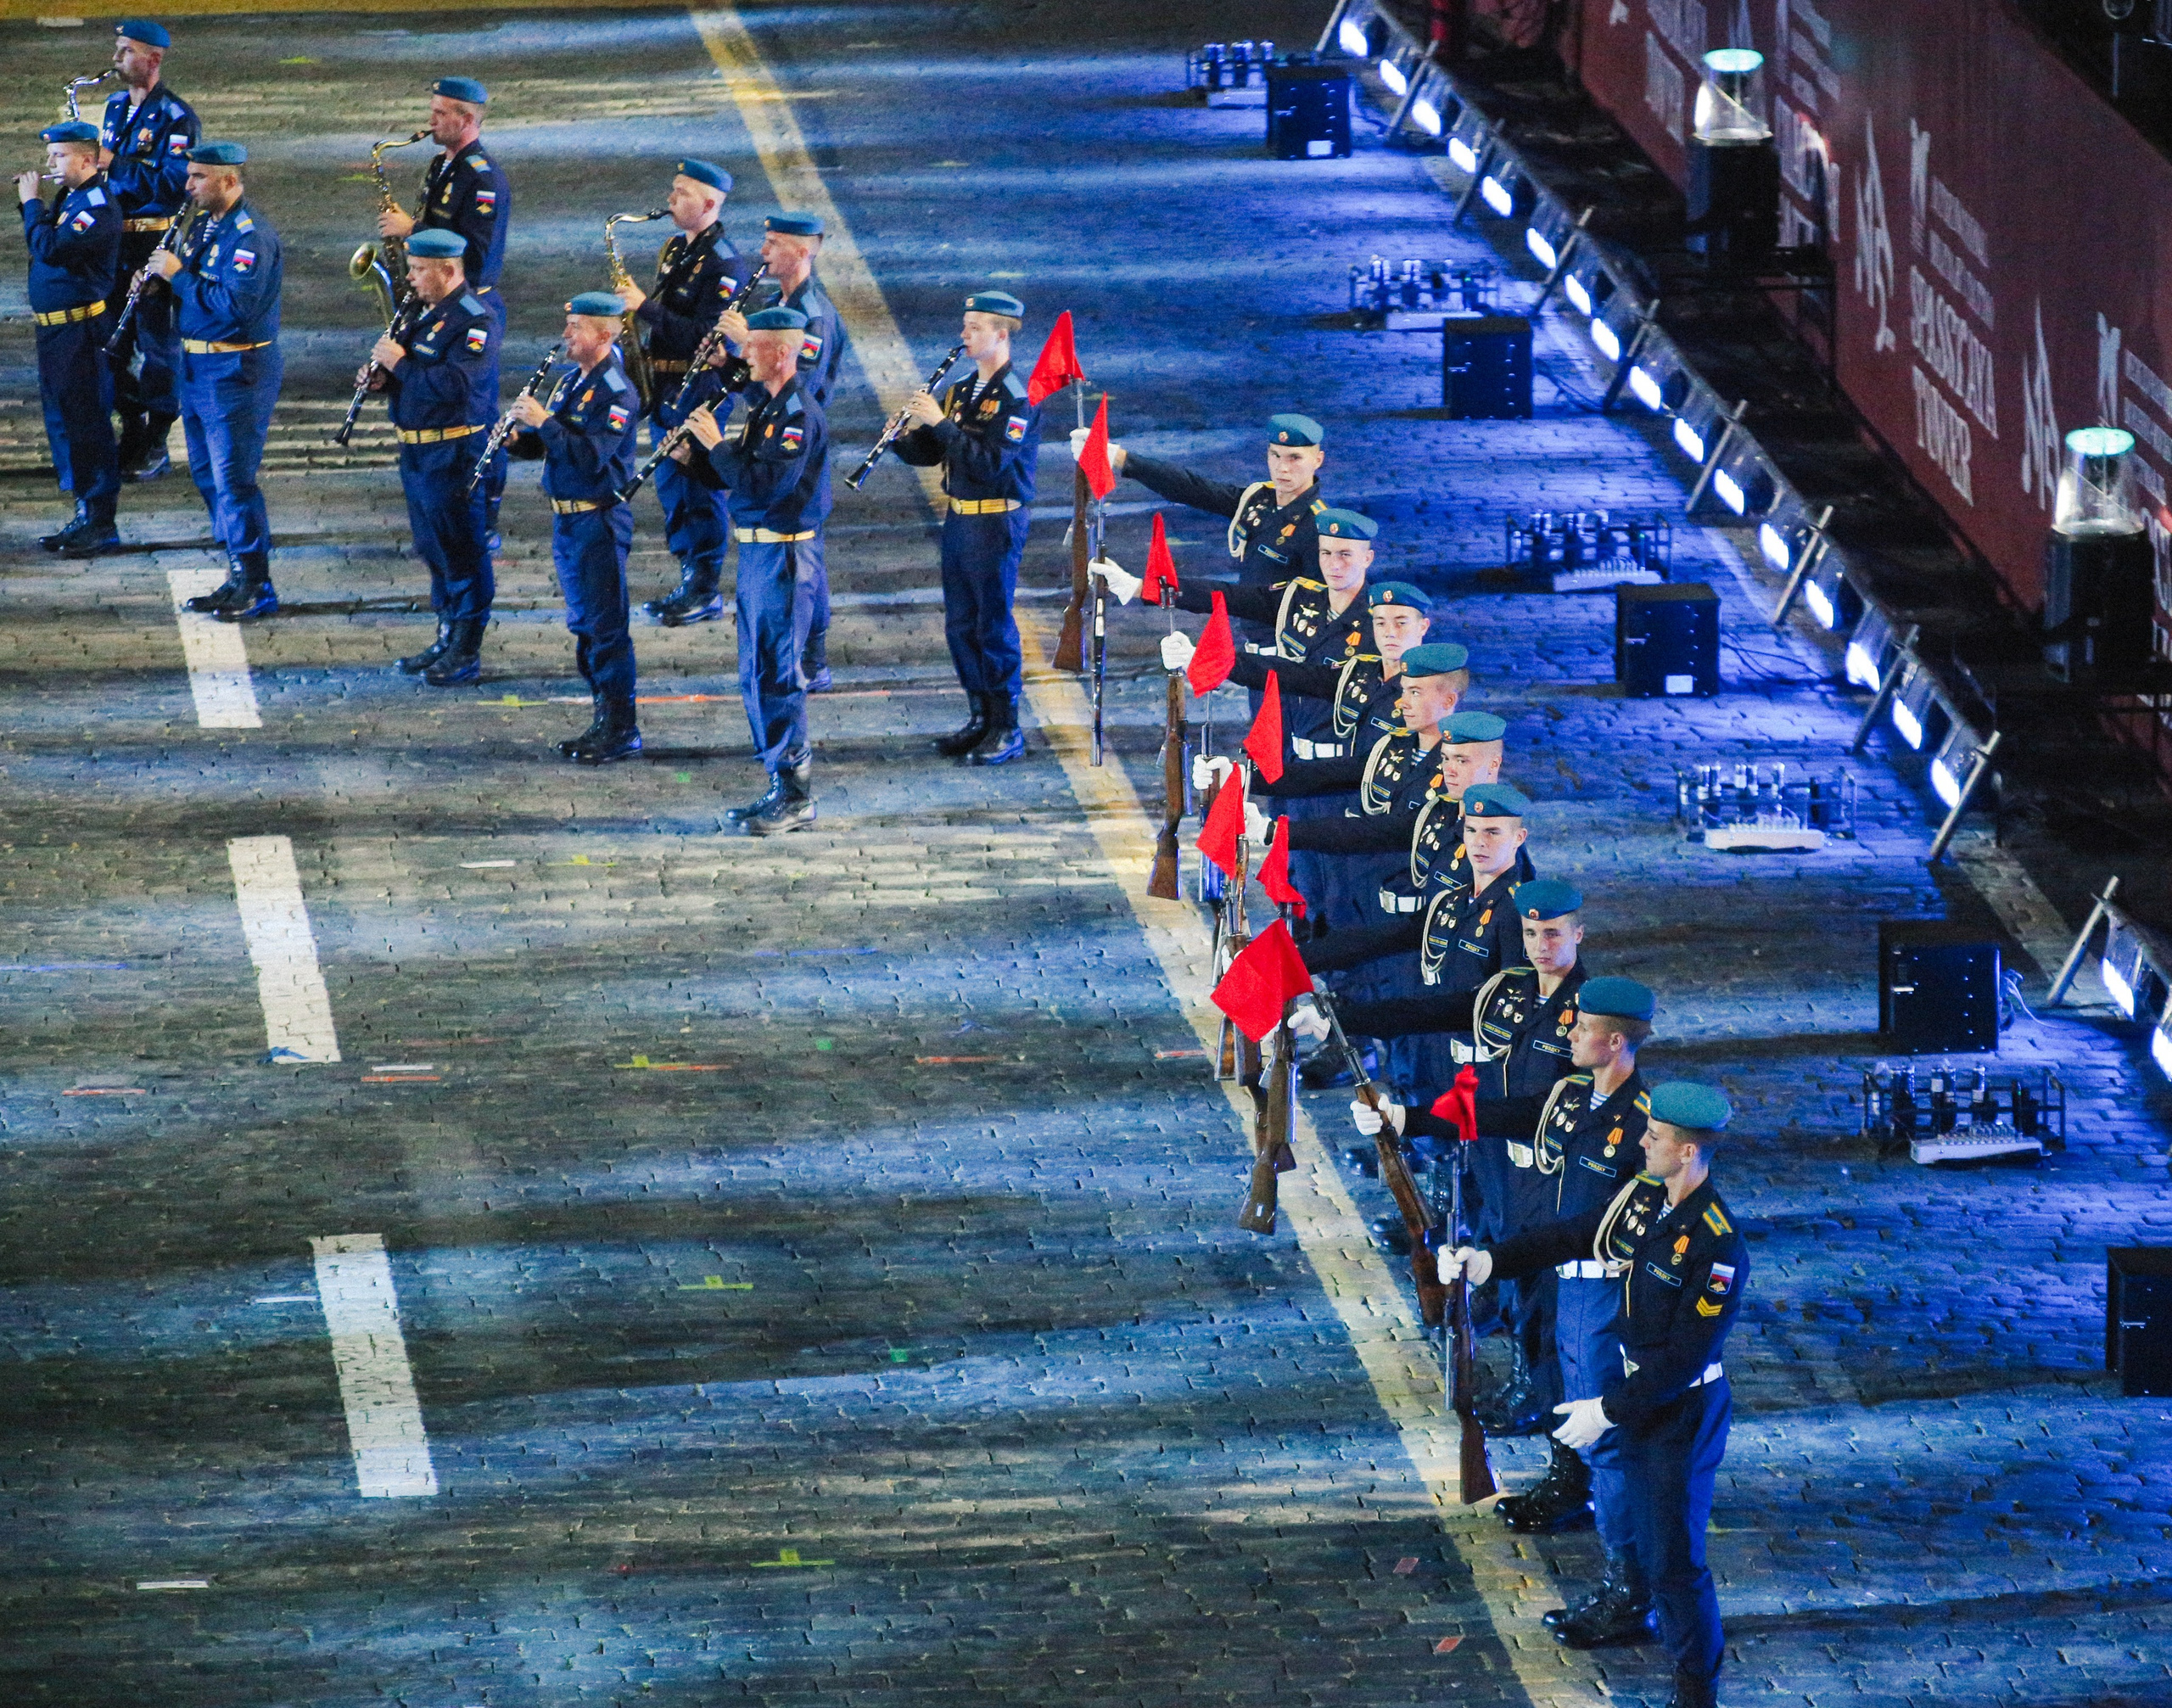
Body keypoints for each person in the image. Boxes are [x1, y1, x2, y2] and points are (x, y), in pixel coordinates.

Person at [1445, 1080, 1747, 1708]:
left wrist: (1607, 1409)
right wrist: (1489, 1260)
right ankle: (1633, 1610)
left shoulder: (1715, 1244)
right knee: (1638, 1527)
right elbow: (1575, 1233)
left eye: (1655, 1137)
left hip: (1680, 1412)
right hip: (1639, 1395)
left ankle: (1697, 1690)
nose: (1643, 1142)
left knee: (1674, 1560)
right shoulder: (1645, 1195)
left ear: (1688, 1151)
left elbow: (1685, 1357)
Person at [1336, 878, 1590, 1436]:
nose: (1540, 946)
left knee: (1541, 1289)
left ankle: (1540, 1395)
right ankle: (1526, 1374)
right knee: (1508, 1260)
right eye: (1530, 934)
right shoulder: (1514, 991)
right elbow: (1441, 1009)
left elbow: (1534, 1110)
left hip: (1553, 1174)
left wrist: (1418, 1120)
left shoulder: (1587, 1016)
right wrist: (1348, 1017)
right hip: (1502, 1163)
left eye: (1552, 934)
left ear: (1578, 935)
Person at [682, 305, 830, 834]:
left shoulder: (797, 416)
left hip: (784, 558)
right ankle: (778, 781)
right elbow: (740, 475)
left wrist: (716, 447)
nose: (743, 353)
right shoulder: (769, 407)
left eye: (754, 345)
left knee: (778, 672)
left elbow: (765, 486)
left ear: (783, 353)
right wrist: (697, 460)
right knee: (756, 671)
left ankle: (796, 793)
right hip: (759, 555)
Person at [893, 289, 1040, 764]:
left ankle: (1006, 726)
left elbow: (989, 464)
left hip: (996, 520)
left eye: (975, 328)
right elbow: (935, 452)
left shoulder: (1018, 400)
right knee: (960, 623)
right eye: (966, 326)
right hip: (961, 517)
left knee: (991, 624)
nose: (964, 335)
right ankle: (980, 716)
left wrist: (940, 424)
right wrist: (903, 438)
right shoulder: (960, 391)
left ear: (1001, 335)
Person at [509, 292, 641, 764]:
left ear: (604, 336)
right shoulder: (571, 381)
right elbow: (553, 445)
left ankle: (621, 727)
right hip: (568, 521)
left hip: (597, 521)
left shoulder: (618, 393)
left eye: (577, 327)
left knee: (606, 629)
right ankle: (602, 719)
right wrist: (517, 439)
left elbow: (589, 456)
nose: (566, 334)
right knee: (585, 626)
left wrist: (544, 422)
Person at [363, 227, 498, 685]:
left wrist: (399, 364)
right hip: (418, 450)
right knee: (433, 547)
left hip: (453, 451)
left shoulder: (475, 320)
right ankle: (446, 634)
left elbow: (455, 385)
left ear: (448, 270)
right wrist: (383, 379)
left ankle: (466, 647)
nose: (411, 278)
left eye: (420, 270)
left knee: (462, 552)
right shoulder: (426, 313)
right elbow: (417, 375)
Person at [381, 76, 511, 539]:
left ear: (467, 119)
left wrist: (411, 230)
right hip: (437, 300)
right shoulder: (442, 165)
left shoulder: (482, 178)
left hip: (471, 302)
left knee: (477, 411)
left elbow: (473, 256)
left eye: (440, 113)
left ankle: (485, 508)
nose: (430, 121)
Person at [715, 213, 842, 686]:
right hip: (774, 431)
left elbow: (794, 388)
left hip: (798, 444)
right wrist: (730, 363)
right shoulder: (777, 303)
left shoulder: (813, 317)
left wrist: (745, 342)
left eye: (774, 243)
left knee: (803, 548)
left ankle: (813, 655)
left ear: (803, 252)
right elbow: (763, 390)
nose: (763, 252)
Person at [160, 142, 282, 624]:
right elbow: (194, 292)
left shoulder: (250, 238)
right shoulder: (203, 226)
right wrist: (157, 285)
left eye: (198, 177)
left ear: (229, 180)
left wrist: (178, 279)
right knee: (207, 474)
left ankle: (256, 582)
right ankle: (237, 571)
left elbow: (236, 308)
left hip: (235, 370)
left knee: (233, 479)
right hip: (197, 366)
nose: (188, 185)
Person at [621, 159, 742, 628]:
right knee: (673, 486)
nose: (671, 200)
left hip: (699, 387)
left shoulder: (724, 263)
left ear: (709, 205)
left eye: (682, 193)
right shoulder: (675, 248)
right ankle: (689, 577)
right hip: (666, 383)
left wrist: (644, 308)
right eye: (673, 190)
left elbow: (704, 337)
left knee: (697, 486)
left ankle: (705, 586)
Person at [1092, 412, 1329, 648]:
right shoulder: (1261, 501)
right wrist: (1120, 458)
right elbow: (1194, 489)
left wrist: (1146, 588)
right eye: (1275, 455)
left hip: (1292, 655)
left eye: (1295, 458)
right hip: (1256, 649)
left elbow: (1263, 603)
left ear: (1318, 460)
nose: (1282, 468)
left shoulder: (1320, 530)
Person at [98, 16, 198, 483]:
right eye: (118, 49)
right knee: (109, 341)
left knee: (158, 344)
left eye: (126, 51)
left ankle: (157, 436)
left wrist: (114, 165)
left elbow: (174, 184)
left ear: (153, 59)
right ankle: (131, 425)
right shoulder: (115, 106)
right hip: (114, 239)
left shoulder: (176, 117)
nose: (116, 58)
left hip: (152, 239)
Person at [19, 120, 122, 557]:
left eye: (59, 156)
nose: (50, 164)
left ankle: (99, 520)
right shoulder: (72, 196)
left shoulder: (95, 205)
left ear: (87, 160)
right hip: (57, 331)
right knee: (64, 422)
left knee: (86, 425)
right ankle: (84, 511)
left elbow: (51, 248)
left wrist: (31, 204)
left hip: (80, 332)